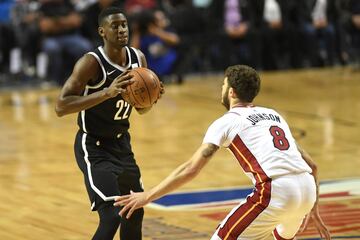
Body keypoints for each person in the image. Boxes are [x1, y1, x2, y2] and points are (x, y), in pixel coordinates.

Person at [114, 65, 331, 240]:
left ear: (231, 92)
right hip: (307, 190)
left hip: (276, 191)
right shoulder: (273, 115)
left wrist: (147, 196)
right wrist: (313, 207)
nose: (221, 89)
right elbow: (313, 165)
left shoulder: (227, 121)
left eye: (223, 85)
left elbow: (191, 169)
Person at [55, 7, 163, 240]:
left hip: (122, 146)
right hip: (94, 147)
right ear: (102, 31)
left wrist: (151, 99)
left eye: (124, 25)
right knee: (112, 216)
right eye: (115, 26)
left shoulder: (138, 58)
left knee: (134, 211)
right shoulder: (91, 63)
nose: (122, 29)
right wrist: (107, 92)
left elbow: (141, 110)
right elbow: (61, 106)